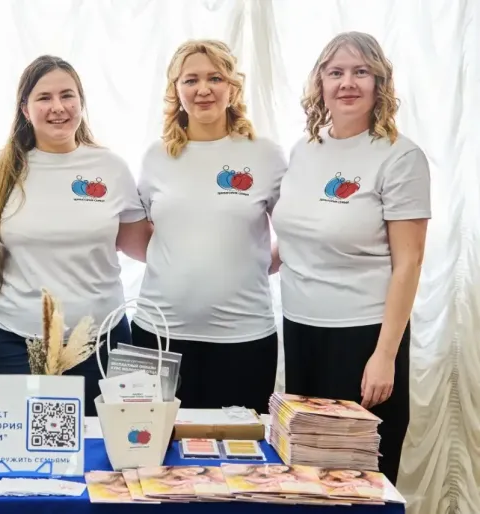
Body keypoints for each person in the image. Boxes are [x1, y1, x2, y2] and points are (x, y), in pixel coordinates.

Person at [270, 31, 431, 485]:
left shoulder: (400, 157)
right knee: (307, 472)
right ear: (319, 82)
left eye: (361, 72)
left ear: (380, 83)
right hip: (301, 330)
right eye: (335, 72)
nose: (347, 83)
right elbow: (299, 234)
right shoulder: (304, 149)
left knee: (361, 478)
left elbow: (409, 263)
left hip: (363, 338)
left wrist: (385, 354)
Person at [0, 55, 151, 416]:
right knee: (21, 442)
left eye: (67, 95)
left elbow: (143, 247)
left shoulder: (110, 167)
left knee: (102, 443)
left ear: (81, 103)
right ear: (25, 109)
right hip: (12, 340)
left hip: (101, 340)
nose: (58, 107)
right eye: (44, 98)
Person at [129, 39, 286, 414]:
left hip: (244, 338)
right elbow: (139, 237)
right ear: (176, 89)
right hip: (158, 335)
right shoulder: (156, 157)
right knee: (154, 446)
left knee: (239, 449)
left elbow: (295, 234)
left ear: (232, 87)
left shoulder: (264, 154)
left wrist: (251, 264)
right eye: (191, 80)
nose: (203, 89)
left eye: (215, 78)